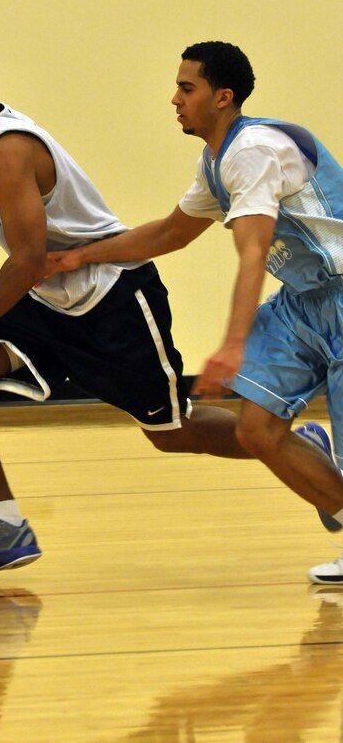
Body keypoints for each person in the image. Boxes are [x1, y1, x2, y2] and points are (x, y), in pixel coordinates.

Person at [0, 58, 264, 583]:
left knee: (172, 432)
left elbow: (28, 259)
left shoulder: (7, 152)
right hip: (51, 299)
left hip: (112, 296)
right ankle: (5, 524)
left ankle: (292, 445)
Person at [43, 41, 343, 585]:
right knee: (254, 429)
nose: (174, 99)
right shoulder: (216, 160)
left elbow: (253, 250)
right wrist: (79, 255)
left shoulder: (253, 149)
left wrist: (232, 345)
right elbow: (169, 233)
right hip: (307, 302)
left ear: (222, 96)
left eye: (187, 88)